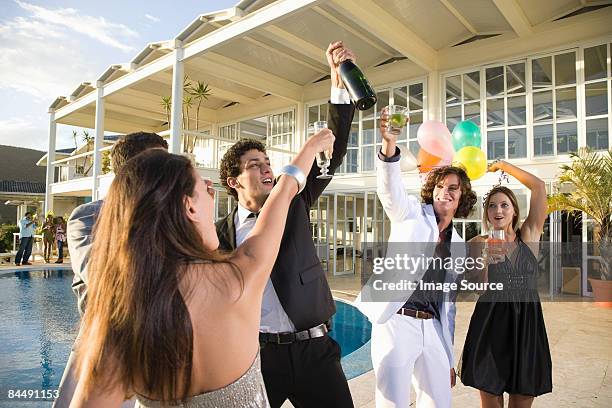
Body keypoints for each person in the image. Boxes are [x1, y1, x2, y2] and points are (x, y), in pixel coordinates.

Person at [69, 131, 334, 406]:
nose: (211, 190)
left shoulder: (119, 315)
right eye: (203, 187)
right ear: (189, 207)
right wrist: (313, 145)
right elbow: (286, 187)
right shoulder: (240, 277)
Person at [215, 41, 355, 407]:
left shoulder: (293, 200)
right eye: (253, 165)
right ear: (233, 181)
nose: (266, 168)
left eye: (266, 161)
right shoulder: (220, 233)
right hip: (258, 358)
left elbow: (332, 154)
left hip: (315, 352)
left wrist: (337, 81)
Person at [354, 107, 477, 408]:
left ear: (462, 198)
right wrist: (388, 144)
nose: (444, 192)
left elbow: (448, 306)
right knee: (392, 403)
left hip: (432, 327)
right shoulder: (409, 213)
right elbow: (389, 188)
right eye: (439, 186)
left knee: (439, 402)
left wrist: (448, 355)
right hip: (397, 322)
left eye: (452, 189)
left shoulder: (458, 244)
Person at [53, 132, 169, 408]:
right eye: (159, 162)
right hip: (106, 355)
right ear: (132, 169)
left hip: (162, 353)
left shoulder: (173, 220)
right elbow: (106, 279)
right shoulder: (88, 216)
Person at [460, 160, 552, 408]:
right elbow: (477, 289)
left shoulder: (530, 235)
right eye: (492, 206)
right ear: (487, 213)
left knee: (522, 398)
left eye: (504, 205)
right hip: (491, 324)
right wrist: (486, 261)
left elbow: (539, 187)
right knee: (490, 399)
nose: (498, 210)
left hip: (526, 325)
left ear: (514, 210)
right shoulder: (478, 242)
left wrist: (503, 166)